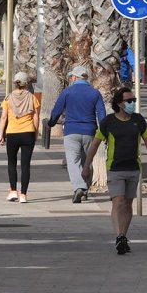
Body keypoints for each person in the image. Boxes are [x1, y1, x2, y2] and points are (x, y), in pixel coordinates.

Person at [82, 87, 147, 255]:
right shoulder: (108, 122)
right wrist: (86, 166)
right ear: (119, 103)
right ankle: (119, 236)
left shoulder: (138, 120)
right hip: (115, 168)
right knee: (118, 202)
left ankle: (123, 236)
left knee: (128, 203)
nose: (133, 103)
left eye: (134, 101)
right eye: (129, 101)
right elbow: (95, 144)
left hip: (133, 168)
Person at [48, 65, 106, 203]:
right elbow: (102, 115)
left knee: (73, 161)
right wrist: (103, 132)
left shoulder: (67, 92)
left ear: (74, 77)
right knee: (88, 161)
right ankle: (85, 189)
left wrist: (51, 123)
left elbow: (56, 111)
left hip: (71, 131)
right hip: (90, 131)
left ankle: (79, 187)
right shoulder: (95, 93)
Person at [0, 72, 41, 203]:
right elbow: (36, 116)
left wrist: (1, 135)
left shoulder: (8, 98)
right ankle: (23, 194)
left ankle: (12, 191)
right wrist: (35, 132)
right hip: (28, 133)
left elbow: (4, 117)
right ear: (27, 83)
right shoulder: (32, 98)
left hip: (12, 133)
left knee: (12, 162)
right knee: (25, 165)